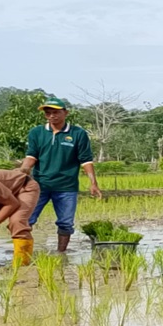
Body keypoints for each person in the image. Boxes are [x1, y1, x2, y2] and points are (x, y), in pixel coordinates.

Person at [20, 97, 102, 252]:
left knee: (65, 223)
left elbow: (85, 160)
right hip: (39, 185)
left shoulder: (78, 133)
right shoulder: (37, 132)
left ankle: (61, 254)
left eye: (56, 112)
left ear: (66, 113)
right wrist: (23, 170)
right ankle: (24, 252)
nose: (52, 116)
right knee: (26, 219)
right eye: (48, 113)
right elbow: (31, 156)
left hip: (66, 186)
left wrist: (93, 183)